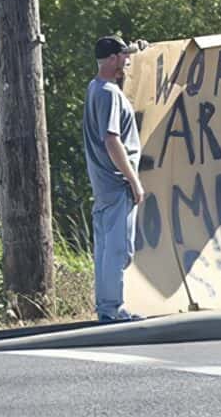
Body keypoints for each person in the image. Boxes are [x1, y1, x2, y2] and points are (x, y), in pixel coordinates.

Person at [83, 35, 147, 322]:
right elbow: (112, 140)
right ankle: (112, 309)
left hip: (102, 184)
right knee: (120, 249)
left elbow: (125, 54)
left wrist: (138, 47)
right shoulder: (109, 93)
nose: (127, 61)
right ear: (111, 59)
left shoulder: (94, 87)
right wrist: (133, 180)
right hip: (116, 182)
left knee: (107, 248)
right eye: (123, 56)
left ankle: (105, 307)